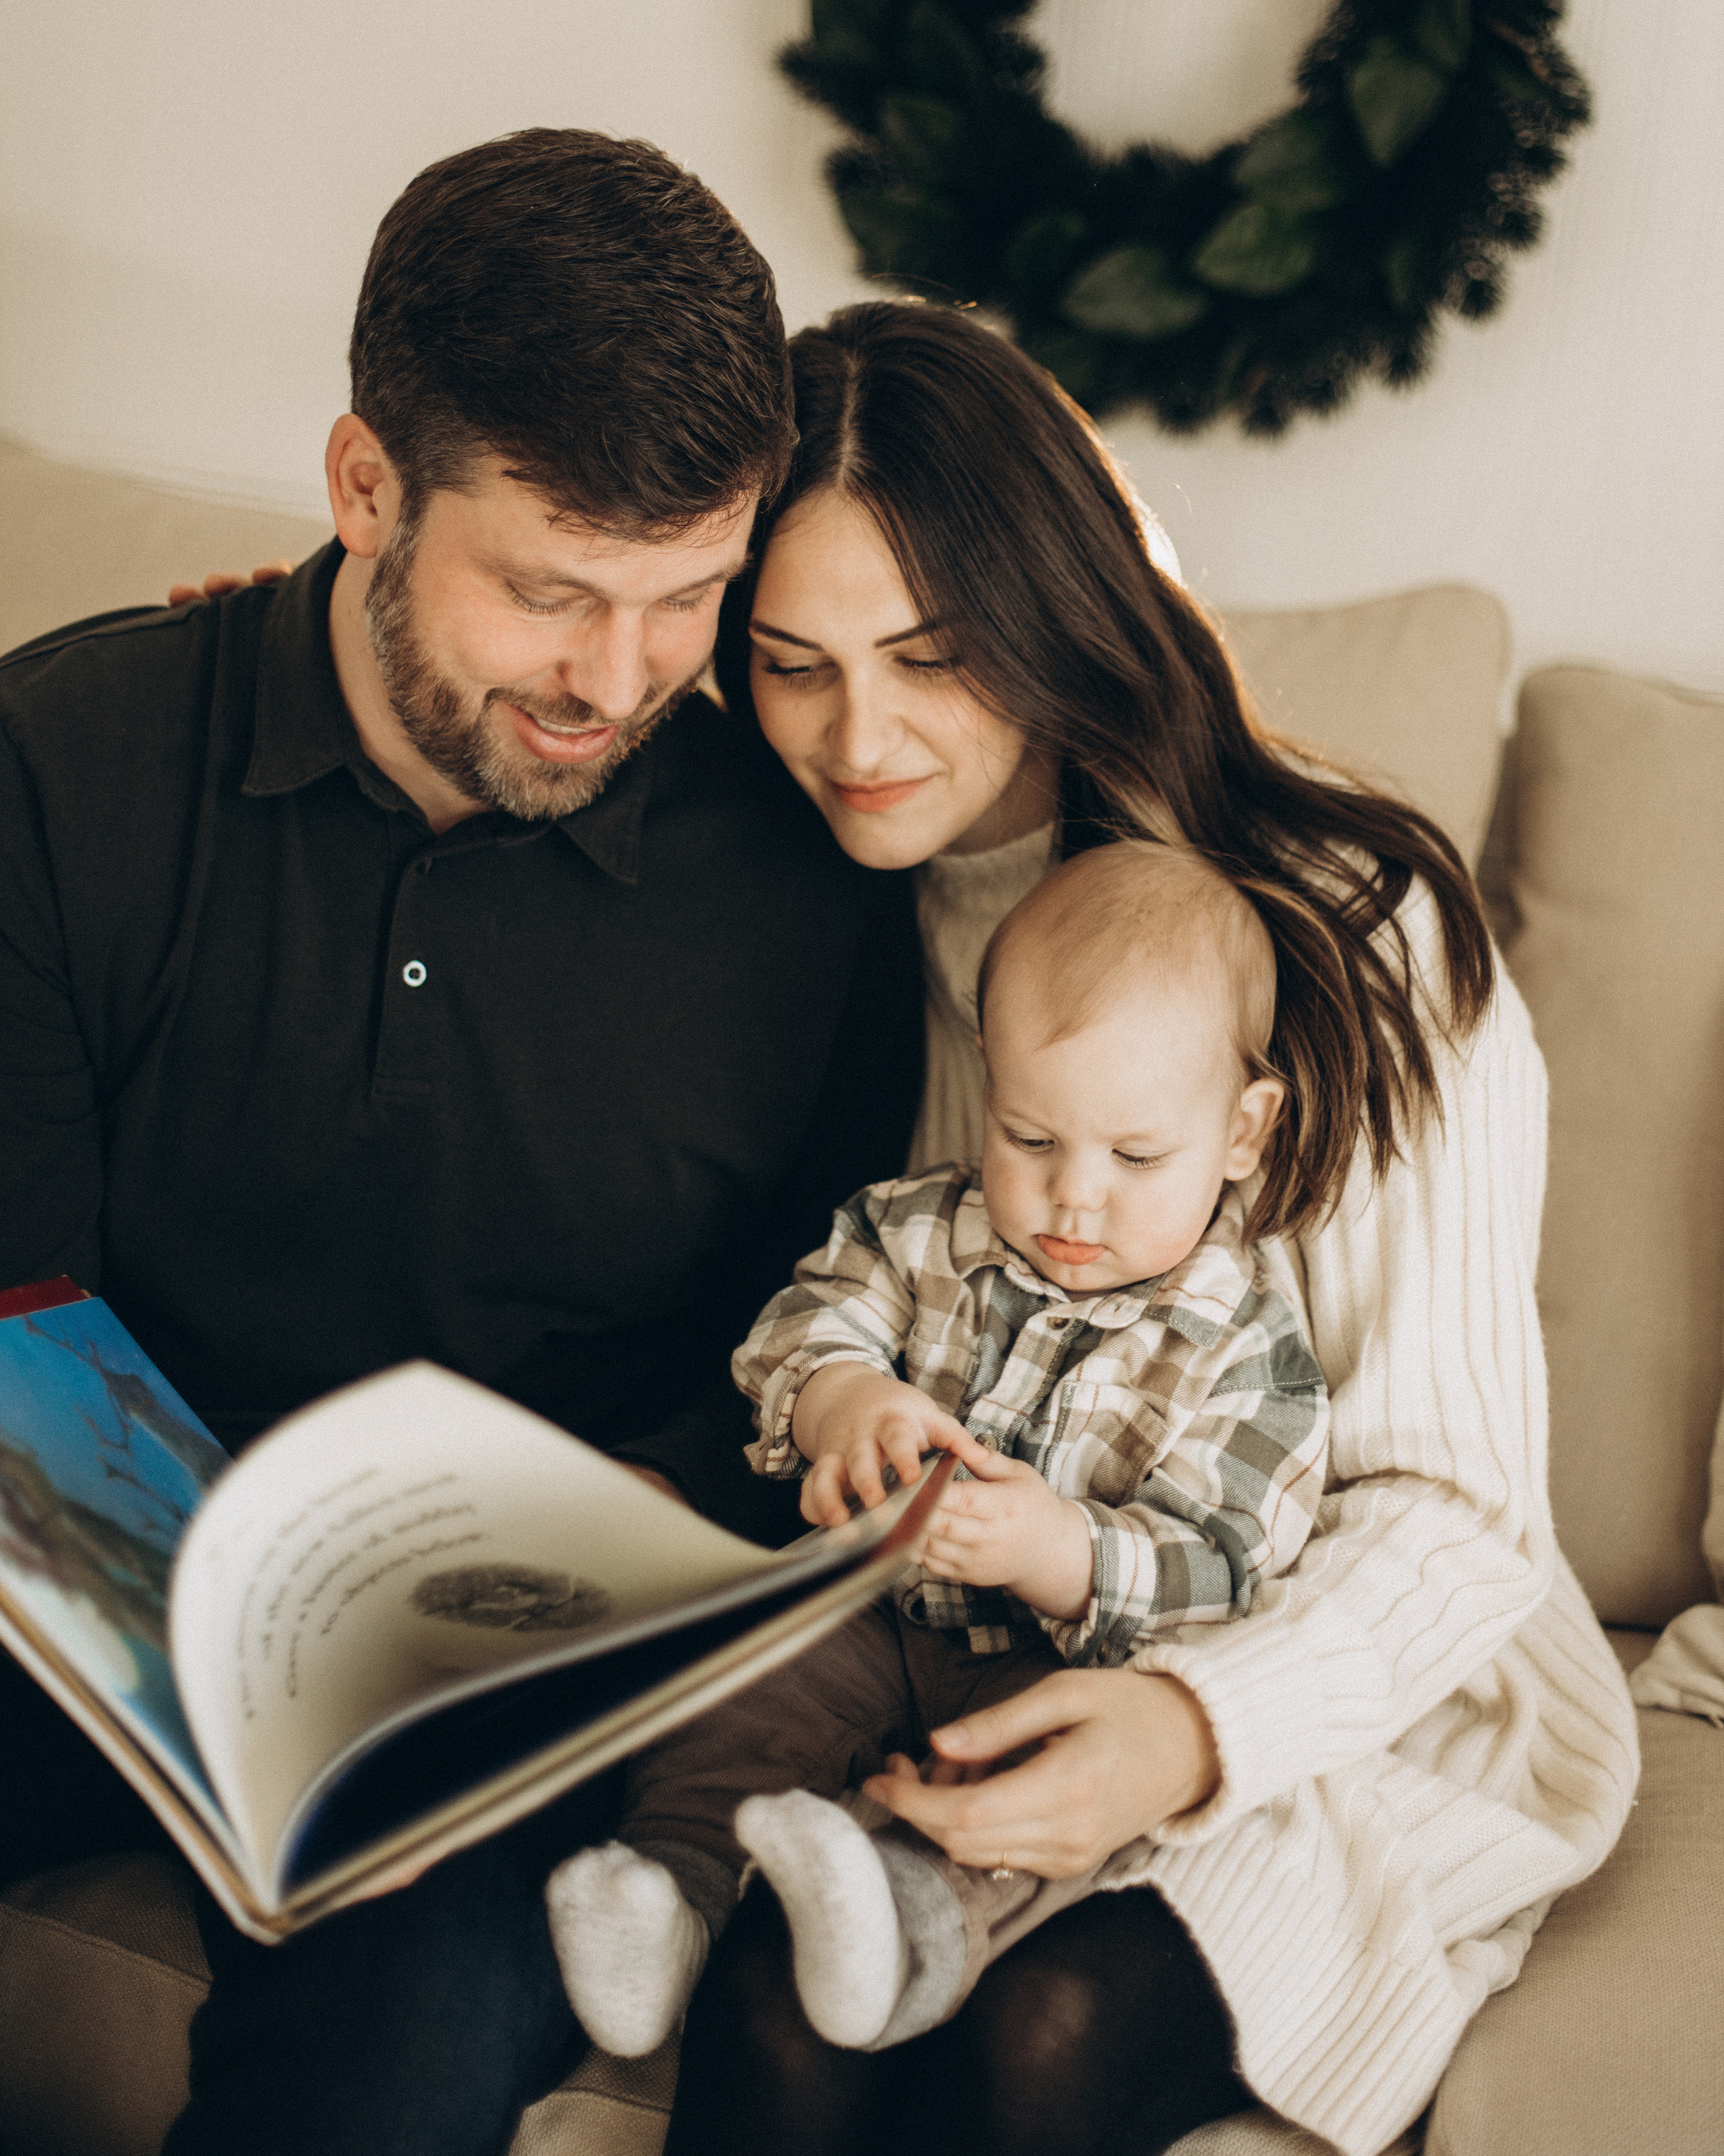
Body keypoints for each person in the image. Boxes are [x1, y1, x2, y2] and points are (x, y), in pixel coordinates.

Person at [0, 131, 925, 2156]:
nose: (618, 680)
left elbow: (810, 1341)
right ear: (361, 491)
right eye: (551, 593)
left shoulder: (809, 880)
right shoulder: (67, 768)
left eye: (690, 598)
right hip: (80, 1605)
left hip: (493, 1689)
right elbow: (14, 1310)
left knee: (416, 2026)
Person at [647, 299, 1639, 2156]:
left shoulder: (1358, 926)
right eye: (790, 664)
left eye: (931, 655)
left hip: (1335, 1678)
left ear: (1052, 610)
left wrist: (1192, 1727)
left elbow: (1463, 1516)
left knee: (1045, 2039)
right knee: (783, 2027)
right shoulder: (799, 889)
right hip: (958, 1640)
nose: (858, 738)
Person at [545, 836, 1332, 2064]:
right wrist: (845, 1403)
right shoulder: (916, 1230)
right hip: (868, 1611)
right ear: (989, 1081)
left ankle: (904, 1930)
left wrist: (1059, 1549)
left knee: (1030, 1808)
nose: (1074, 1199)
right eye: (1032, 1139)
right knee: (741, 1688)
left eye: (1134, 1159)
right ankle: (674, 1900)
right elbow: (804, 1329)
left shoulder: (1245, 1342)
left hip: (1055, 1669)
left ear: (1243, 1130)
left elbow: (1227, 1561)